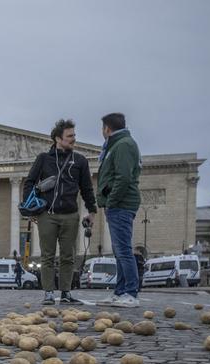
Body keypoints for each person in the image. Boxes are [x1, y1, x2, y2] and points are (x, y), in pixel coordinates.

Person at [22, 119, 97, 305]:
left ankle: (65, 292)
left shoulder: (79, 161)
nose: (73, 139)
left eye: (74, 135)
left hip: (70, 215)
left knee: (68, 256)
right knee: (47, 255)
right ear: (58, 138)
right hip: (47, 214)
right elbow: (30, 182)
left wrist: (92, 211)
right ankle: (48, 292)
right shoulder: (43, 159)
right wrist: (29, 207)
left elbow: (87, 188)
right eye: (69, 136)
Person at [96, 112, 143, 307]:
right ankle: (120, 291)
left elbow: (123, 178)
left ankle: (131, 293)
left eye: (102, 128)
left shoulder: (122, 145)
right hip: (119, 204)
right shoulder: (117, 144)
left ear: (107, 128)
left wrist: (112, 201)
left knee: (123, 250)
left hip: (121, 204)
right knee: (119, 251)